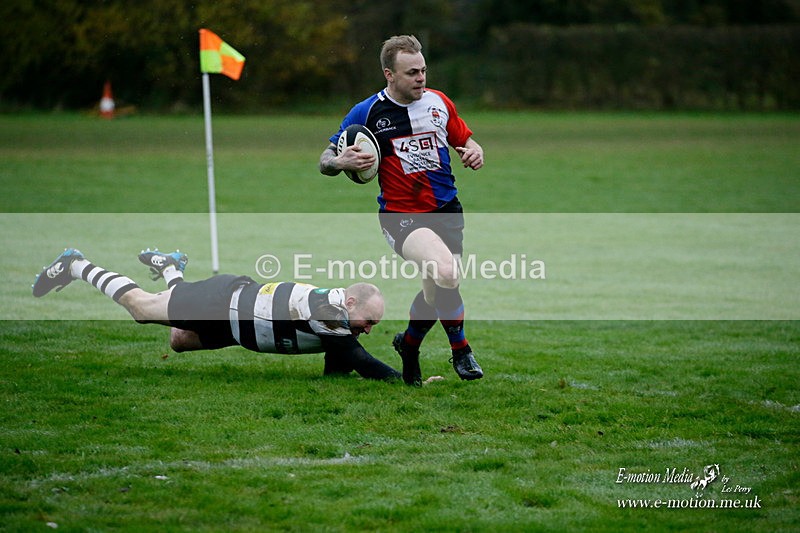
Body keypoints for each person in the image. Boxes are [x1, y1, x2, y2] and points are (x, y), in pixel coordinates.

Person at [319, 35, 485, 386]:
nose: (421, 78)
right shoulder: (366, 112)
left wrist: (473, 149)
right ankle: (461, 349)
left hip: (447, 209)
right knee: (447, 272)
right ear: (389, 75)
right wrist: (339, 160)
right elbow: (324, 160)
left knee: (434, 290)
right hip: (402, 217)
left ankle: (408, 345)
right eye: (411, 73)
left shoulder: (439, 103)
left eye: (423, 70)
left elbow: (464, 139)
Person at [31, 247, 401, 381]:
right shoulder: (330, 310)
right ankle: (76, 265)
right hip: (221, 305)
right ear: (351, 304)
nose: (368, 330)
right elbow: (358, 358)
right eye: (369, 322)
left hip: (237, 323)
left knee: (179, 341)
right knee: (143, 310)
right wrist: (406, 381)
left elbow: (341, 355)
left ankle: (172, 267)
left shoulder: (337, 316)